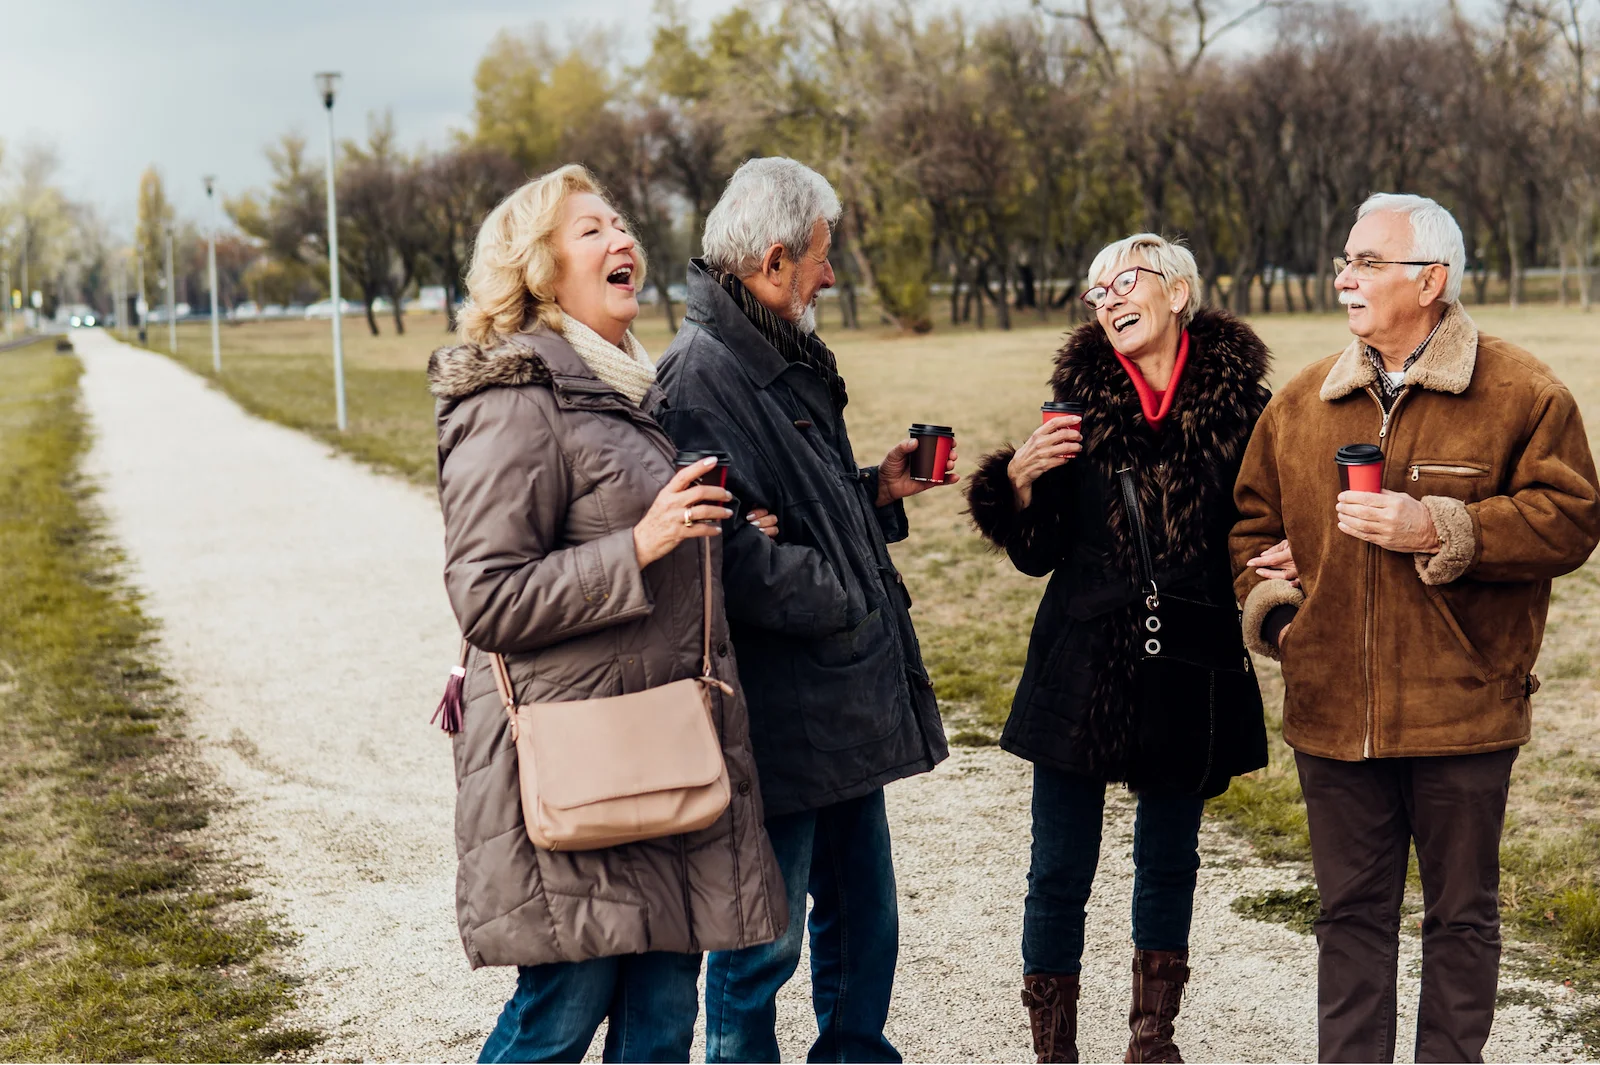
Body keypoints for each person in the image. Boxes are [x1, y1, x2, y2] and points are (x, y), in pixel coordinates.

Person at [427, 163, 788, 1063]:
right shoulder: (512, 399)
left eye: (620, 222)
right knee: (559, 1014)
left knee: (663, 1021)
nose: (621, 238)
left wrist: (713, 532)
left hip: (662, 746)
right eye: (590, 229)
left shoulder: (629, 391)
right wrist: (643, 543)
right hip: (583, 757)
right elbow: (486, 594)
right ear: (541, 271)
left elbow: (628, 522)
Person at [1232, 193, 1600, 1063]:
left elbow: (1571, 518)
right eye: (1345, 260)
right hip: (1332, 715)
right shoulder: (1299, 404)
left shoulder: (1522, 393)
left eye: (1367, 261)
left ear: (1431, 280)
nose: (1344, 276)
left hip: (1463, 710)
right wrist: (1287, 626)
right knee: (1349, 917)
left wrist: (1441, 527)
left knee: (1461, 917)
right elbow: (1250, 532)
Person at [653, 157, 953, 1063]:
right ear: (776, 258)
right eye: (823, 256)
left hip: (841, 692)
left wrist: (876, 491)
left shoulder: (778, 352)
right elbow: (727, 552)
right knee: (761, 939)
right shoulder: (699, 375)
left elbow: (797, 513)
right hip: (779, 710)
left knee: (866, 916)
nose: (832, 274)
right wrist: (845, 591)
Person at [965, 234, 1272, 1063]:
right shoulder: (1075, 402)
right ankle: (1053, 1049)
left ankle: (1152, 1039)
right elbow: (1037, 551)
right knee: (1059, 866)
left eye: (1123, 281)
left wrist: (1282, 558)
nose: (1106, 299)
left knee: (1171, 857)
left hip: (1192, 657)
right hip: (1083, 657)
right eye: (1094, 289)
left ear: (1177, 292)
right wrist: (1020, 480)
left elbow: (1263, 525)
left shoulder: (1248, 407)